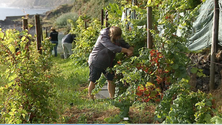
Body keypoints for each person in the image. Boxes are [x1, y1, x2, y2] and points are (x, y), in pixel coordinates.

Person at [88, 26, 134, 99]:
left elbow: (123, 43)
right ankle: (91, 98)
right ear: (112, 35)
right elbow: (113, 47)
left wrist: (129, 48)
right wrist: (126, 50)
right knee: (94, 80)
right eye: (117, 36)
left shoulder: (116, 37)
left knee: (111, 79)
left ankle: (112, 98)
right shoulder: (103, 38)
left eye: (119, 36)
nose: (118, 38)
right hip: (96, 61)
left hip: (108, 62)